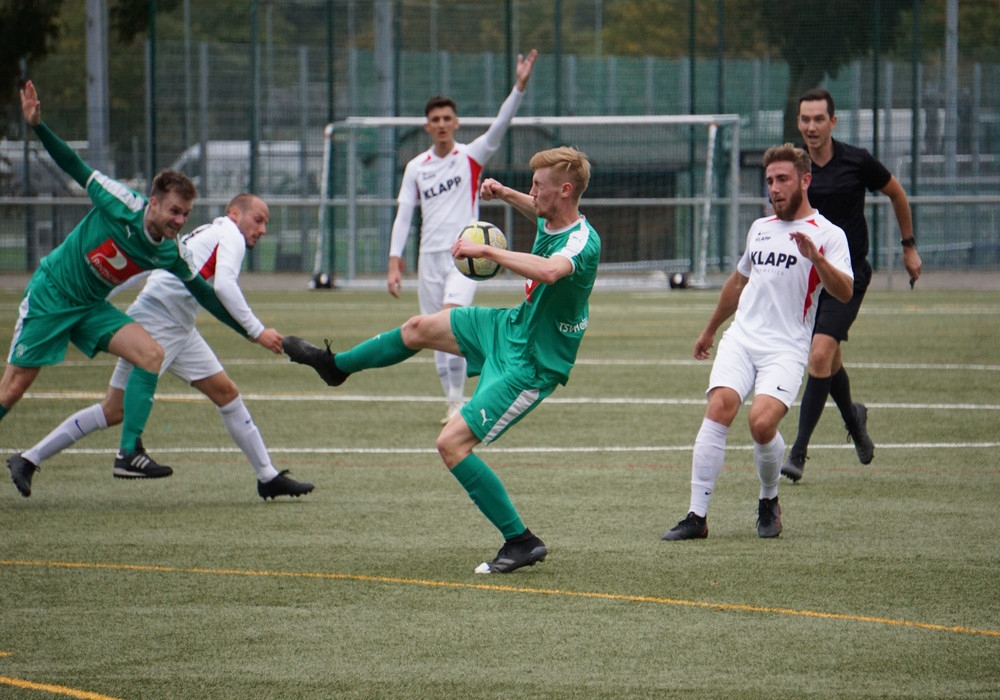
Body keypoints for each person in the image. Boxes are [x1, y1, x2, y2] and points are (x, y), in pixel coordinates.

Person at [284, 146, 600, 574]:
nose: (533, 192)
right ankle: (335, 366)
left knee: (451, 444)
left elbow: (548, 270)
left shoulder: (582, 241)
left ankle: (521, 540)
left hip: (532, 363)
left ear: (565, 191)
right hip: (510, 327)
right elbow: (539, 214)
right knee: (419, 327)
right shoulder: (553, 214)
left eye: (538, 186)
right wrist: (506, 193)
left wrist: (486, 252)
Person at [4, 80, 253, 497]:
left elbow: (207, 294)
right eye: (174, 211)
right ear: (153, 203)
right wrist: (38, 127)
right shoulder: (120, 202)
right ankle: (38, 457)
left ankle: (129, 454)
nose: (179, 221)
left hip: (89, 307)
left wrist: (251, 332)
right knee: (13, 389)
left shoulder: (171, 251)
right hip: (51, 296)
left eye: (186, 214)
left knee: (151, 353)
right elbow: (73, 165)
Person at [7, 194, 314, 500]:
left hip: (177, 324)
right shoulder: (228, 234)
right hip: (159, 321)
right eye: (258, 220)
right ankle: (33, 458)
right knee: (114, 410)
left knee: (226, 393)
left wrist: (252, 332)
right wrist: (257, 330)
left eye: (265, 223)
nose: (262, 229)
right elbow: (223, 286)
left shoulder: (214, 232)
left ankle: (267, 476)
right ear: (234, 214)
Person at [661, 144, 854, 541]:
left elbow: (846, 291)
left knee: (761, 424)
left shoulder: (829, 235)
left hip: (786, 347)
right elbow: (738, 282)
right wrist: (711, 328)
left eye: (782, 179)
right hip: (742, 340)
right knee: (719, 408)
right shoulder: (760, 228)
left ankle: (769, 498)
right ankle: (697, 516)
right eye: (769, 181)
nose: (774, 188)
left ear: (805, 180)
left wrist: (817, 260)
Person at [387, 49, 538, 425]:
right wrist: (394, 260)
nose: (441, 124)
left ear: (456, 124)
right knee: (434, 330)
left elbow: (500, 125)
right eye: (435, 119)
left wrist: (518, 87)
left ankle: (465, 395)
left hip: (465, 258)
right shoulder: (415, 168)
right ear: (427, 126)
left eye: (447, 119)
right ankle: (453, 399)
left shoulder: (470, 157)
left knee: (450, 320)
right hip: (428, 258)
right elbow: (404, 212)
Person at [781, 88, 923, 483]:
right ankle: (853, 417)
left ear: (833, 122)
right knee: (830, 359)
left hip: (848, 276)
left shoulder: (856, 161)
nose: (811, 127)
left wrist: (908, 248)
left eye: (818, 119)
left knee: (819, 355)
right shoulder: (793, 163)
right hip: (808, 279)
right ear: (798, 122)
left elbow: (896, 193)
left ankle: (798, 453)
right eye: (805, 120)